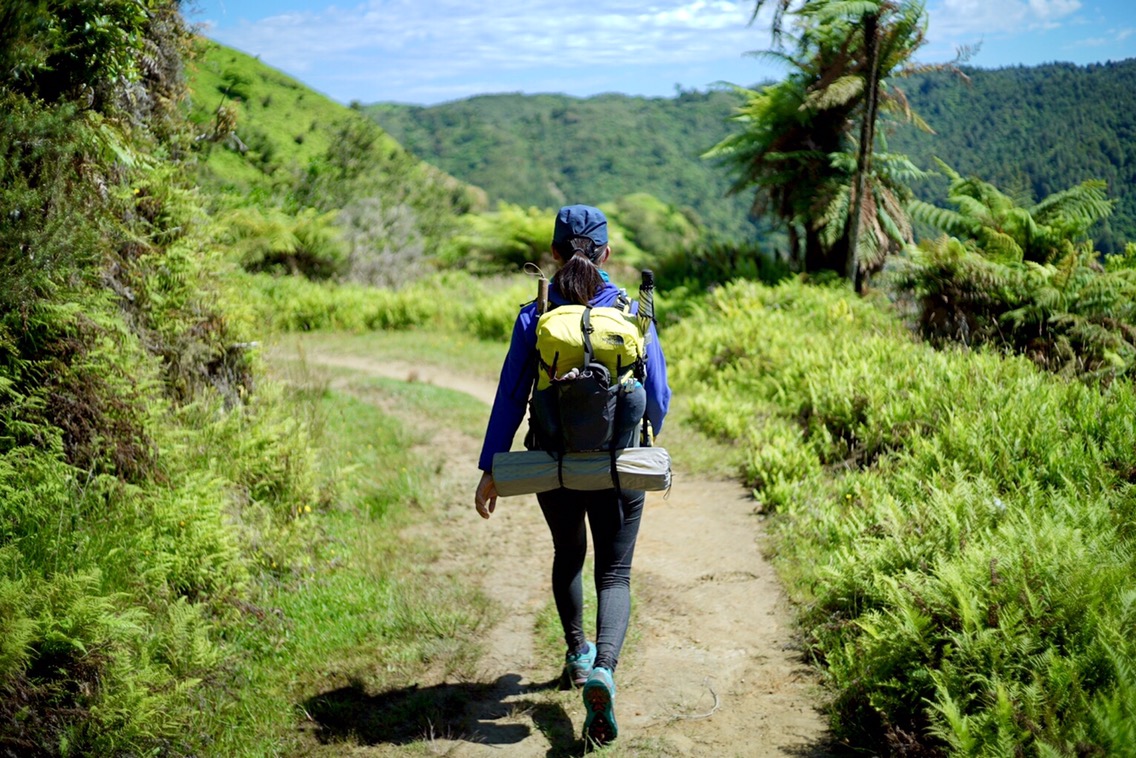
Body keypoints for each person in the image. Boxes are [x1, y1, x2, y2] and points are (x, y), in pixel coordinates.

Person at [474, 204, 671, 747]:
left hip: (553, 462)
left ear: (555, 253)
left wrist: (492, 466)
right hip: (617, 466)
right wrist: (643, 433)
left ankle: (578, 656)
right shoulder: (632, 310)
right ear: (606, 254)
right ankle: (606, 668)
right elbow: (656, 395)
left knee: (569, 554)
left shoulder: (534, 313)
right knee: (614, 573)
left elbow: (512, 395)